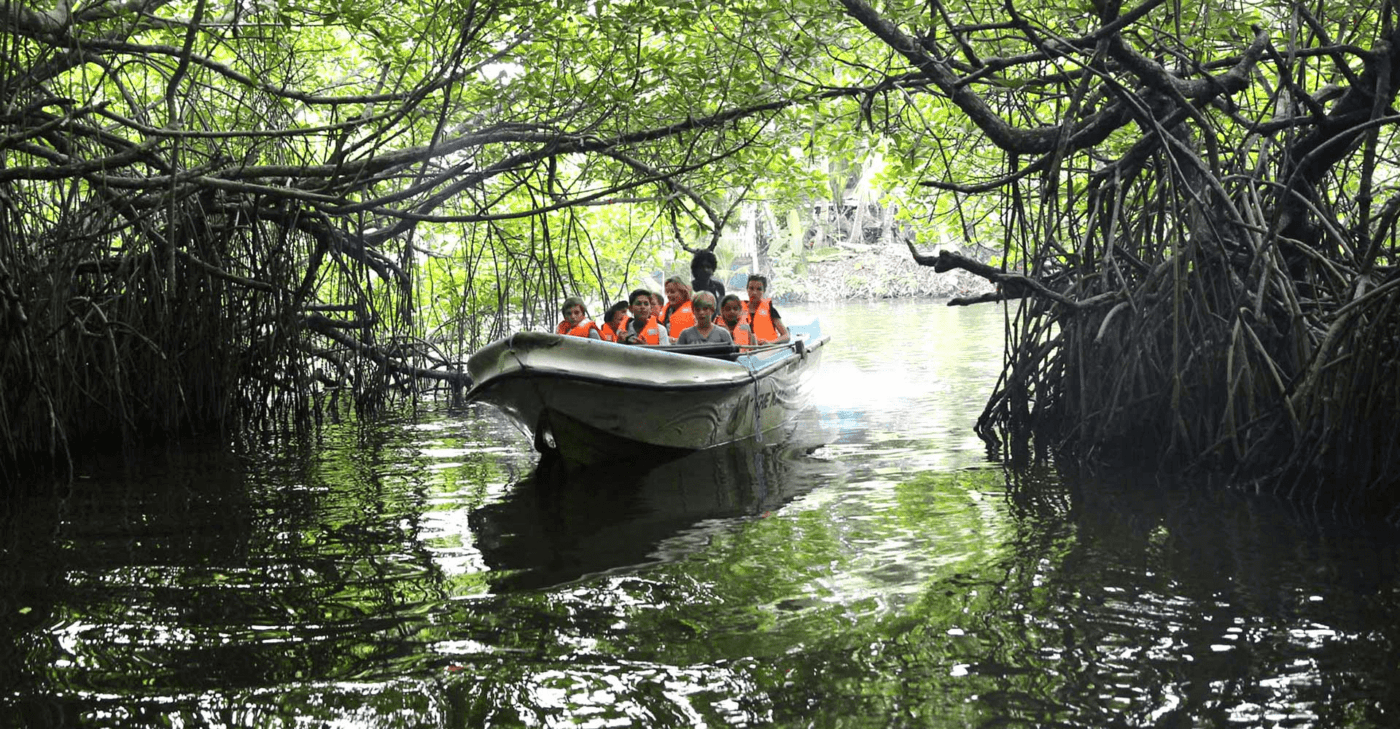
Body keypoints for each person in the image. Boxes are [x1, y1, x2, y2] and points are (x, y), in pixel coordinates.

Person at [744, 274, 789, 344]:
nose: (754, 292)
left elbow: (786, 336)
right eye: (751, 288)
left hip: (767, 350)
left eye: (759, 289)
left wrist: (770, 342)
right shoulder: (738, 311)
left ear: (764, 291)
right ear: (747, 290)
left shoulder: (770, 310)